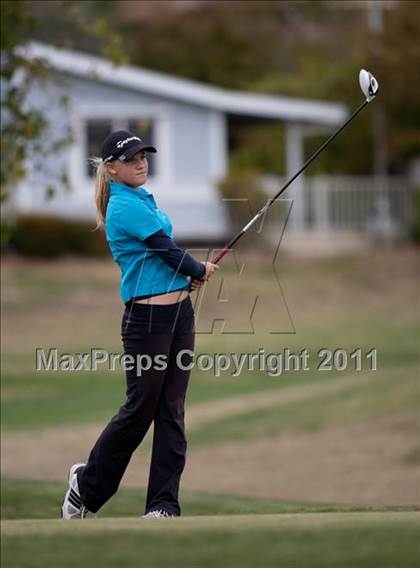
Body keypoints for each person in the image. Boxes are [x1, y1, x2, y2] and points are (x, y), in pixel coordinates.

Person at [61, 130, 218, 519]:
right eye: (131, 158)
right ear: (112, 168)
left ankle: (163, 505)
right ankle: (86, 487)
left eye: (144, 155)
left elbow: (162, 258)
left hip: (180, 314)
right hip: (147, 321)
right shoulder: (122, 206)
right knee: (140, 410)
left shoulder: (144, 198)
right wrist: (196, 268)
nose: (141, 162)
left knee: (171, 410)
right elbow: (164, 249)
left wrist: (186, 279)